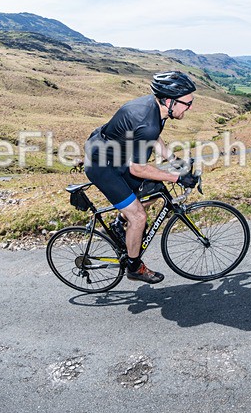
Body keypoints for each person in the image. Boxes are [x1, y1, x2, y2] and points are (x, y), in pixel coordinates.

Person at [84, 71, 200, 284]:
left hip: (113, 154)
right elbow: (138, 168)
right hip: (102, 167)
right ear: (169, 101)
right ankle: (134, 267)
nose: (190, 108)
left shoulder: (155, 109)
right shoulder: (147, 122)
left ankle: (119, 224)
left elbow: (154, 136)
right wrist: (176, 178)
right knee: (138, 217)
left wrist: (173, 160)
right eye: (187, 103)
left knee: (154, 189)